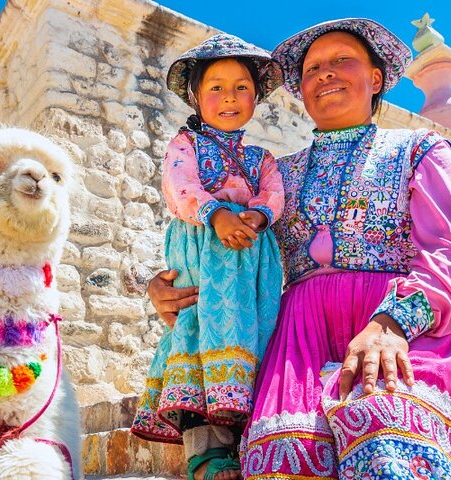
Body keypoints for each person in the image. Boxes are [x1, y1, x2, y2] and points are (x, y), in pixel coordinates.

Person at [148, 18, 451, 479]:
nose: (326, 73)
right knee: (283, 455)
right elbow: (209, 236)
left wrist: (390, 325)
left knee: (386, 430)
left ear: (376, 78)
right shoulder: (274, 179)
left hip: (405, 330)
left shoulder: (420, 151)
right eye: (313, 68)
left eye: (342, 60)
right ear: (301, 89)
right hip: (298, 341)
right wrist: (166, 287)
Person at [130, 33, 286, 480]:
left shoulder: (261, 158)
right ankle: (205, 452)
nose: (229, 97)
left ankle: (250, 437)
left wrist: (256, 219)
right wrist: (217, 215)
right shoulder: (185, 145)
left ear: (256, 97)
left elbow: (274, 194)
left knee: (252, 337)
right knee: (198, 333)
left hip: (251, 262)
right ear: (196, 97)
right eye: (216, 87)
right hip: (203, 250)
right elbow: (180, 189)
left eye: (241, 87)